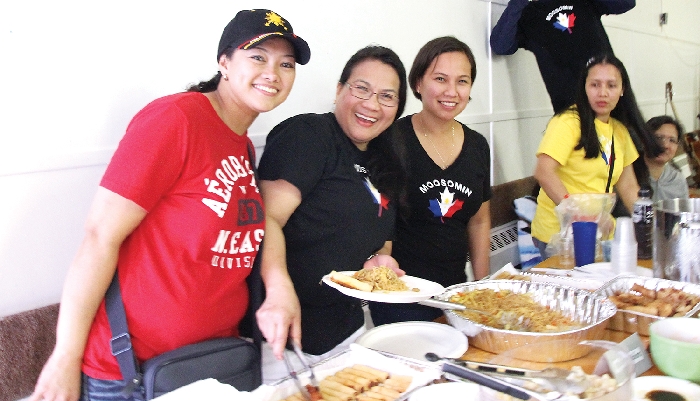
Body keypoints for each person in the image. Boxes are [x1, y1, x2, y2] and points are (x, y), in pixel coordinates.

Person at [25, 9, 310, 401]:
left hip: (209, 368)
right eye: (258, 56)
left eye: (286, 64)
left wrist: (278, 286)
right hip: (132, 376)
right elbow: (99, 236)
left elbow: (254, 227)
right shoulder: (176, 120)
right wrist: (66, 356)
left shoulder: (241, 145)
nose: (273, 72)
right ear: (224, 63)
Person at [256, 46, 407, 381]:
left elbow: (380, 242)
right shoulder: (308, 136)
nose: (372, 104)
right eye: (362, 89)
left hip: (346, 329)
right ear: (339, 90)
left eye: (387, 96)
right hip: (284, 337)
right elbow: (265, 220)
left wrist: (379, 262)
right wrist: (280, 290)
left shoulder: (384, 159)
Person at [368, 36, 491, 326]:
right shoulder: (390, 140)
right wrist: (388, 288)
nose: (452, 91)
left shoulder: (477, 145)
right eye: (440, 79)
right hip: (401, 297)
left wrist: (482, 288)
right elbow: (380, 221)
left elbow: (479, 220)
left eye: (462, 81)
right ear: (418, 83)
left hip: (456, 296)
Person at [531, 53, 658, 259]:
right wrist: (581, 215)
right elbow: (544, 172)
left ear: (622, 90)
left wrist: (650, 225)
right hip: (559, 234)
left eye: (611, 85)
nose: (603, 93)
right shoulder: (568, 122)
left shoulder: (619, 131)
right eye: (595, 85)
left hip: (600, 232)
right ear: (584, 88)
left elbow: (628, 187)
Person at [490, 0, 635, 112]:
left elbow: (626, 3)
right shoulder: (530, 14)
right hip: (570, 111)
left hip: (611, 103)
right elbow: (500, 45)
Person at [644, 115, 689, 202]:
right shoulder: (628, 176)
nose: (665, 145)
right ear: (644, 139)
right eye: (659, 138)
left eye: (672, 140)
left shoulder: (677, 180)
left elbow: (684, 213)